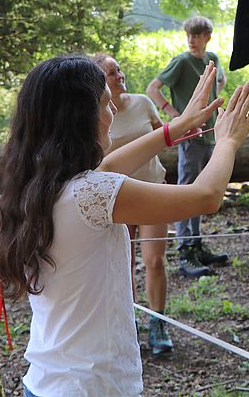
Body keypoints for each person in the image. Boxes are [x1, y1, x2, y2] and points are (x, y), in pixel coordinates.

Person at [0, 56, 249, 397]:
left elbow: (110, 165)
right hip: (89, 387)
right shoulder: (91, 194)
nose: (112, 112)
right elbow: (205, 197)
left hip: (48, 383)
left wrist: (177, 127)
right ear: (78, 119)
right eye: (104, 104)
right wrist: (229, 141)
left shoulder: (37, 186)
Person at [93, 53, 173, 356]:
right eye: (112, 73)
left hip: (153, 190)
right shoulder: (96, 114)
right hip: (117, 197)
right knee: (122, 265)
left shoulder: (142, 101)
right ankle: (128, 325)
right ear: (100, 80)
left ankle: (158, 322)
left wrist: (178, 131)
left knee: (154, 260)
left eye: (120, 70)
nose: (120, 76)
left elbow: (160, 132)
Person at [146, 16, 229, 278]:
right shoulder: (182, 61)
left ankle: (196, 243)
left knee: (202, 191)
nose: (192, 40)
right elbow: (153, 88)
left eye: (197, 35)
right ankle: (185, 251)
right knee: (186, 191)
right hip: (190, 138)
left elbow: (220, 82)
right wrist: (175, 115)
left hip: (209, 136)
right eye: (189, 35)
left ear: (207, 37)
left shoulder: (210, 58)